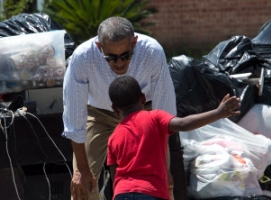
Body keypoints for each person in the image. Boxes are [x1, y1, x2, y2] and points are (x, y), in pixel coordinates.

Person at [62, 16, 177, 200]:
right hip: (98, 114)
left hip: (143, 112)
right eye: (111, 58)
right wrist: (81, 169)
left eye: (126, 55)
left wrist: (163, 166)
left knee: (161, 182)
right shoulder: (82, 57)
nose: (120, 63)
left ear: (134, 43)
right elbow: (74, 117)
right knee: (83, 184)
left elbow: (165, 113)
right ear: (100, 47)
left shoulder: (152, 51)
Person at [107, 75, 241, 200]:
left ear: (114, 108)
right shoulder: (154, 117)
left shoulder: (113, 137)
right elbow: (183, 124)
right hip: (151, 192)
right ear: (143, 98)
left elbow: (115, 177)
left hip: (121, 193)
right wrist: (217, 113)